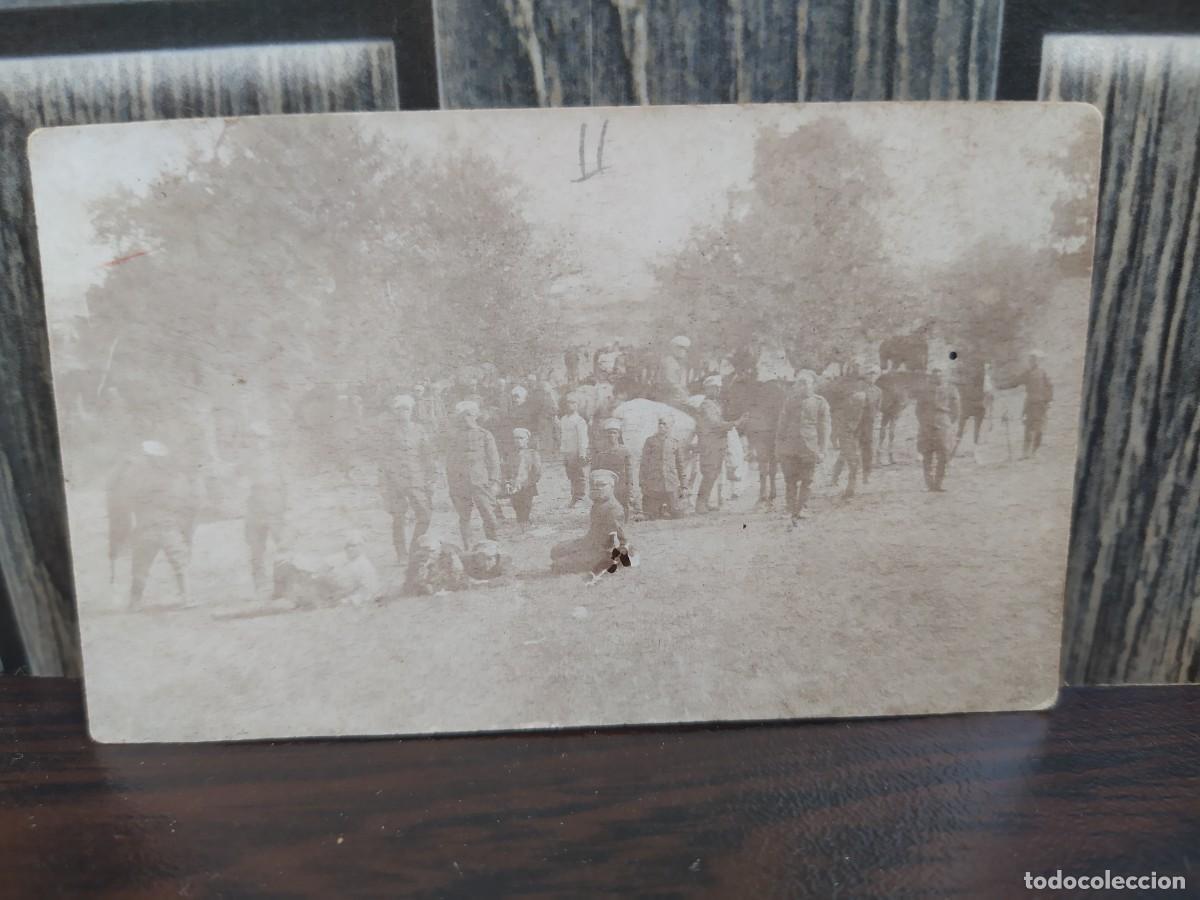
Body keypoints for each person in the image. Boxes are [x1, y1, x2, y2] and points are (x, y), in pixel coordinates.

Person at [109, 439, 202, 608]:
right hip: (163, 527)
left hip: (151, 527)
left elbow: (127, 499)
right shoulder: (171, 477)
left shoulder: (138, 477)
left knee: (142, 567)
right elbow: (183, 502)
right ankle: (186, 598)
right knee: (177, 563)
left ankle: (135, 603)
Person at [379, 394, 437, 562]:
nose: (403, 413)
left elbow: (428, 456)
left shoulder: (419, 430)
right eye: (400, 409)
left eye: (407, 409)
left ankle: (414, 550)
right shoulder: (387, 432)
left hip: (416, 480)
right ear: (395, 412)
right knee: (399, 517)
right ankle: (401, 554)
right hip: (395, 482)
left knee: (425, 516)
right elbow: (383, 460)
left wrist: (432, 477)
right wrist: (384, 485)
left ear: (412, 411)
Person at [444, 400, 501, 549]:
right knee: (464, 518)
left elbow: (494, 460)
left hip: (481, 483)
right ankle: (468, 549)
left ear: (476, 416)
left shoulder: (485, 435)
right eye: (462, 416)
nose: (465, 419)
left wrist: (494, 482)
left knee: (489, 516)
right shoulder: (454, 437)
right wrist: (452, 484)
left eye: (469, 415)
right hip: (460, 483)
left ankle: (493, 546)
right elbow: (449, 462)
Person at [775, 373, 830, 525]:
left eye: (807, 383)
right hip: (790, 447)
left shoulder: (820, 402)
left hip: (810, 447)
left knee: (807, 480)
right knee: (790, 480)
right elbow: (782, 425)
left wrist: (822, 450)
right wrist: (779, 447)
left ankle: (803, 508)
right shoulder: (790, 401)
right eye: (801, 384)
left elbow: (824, 427)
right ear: (797, 386)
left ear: (813, 385)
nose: (804, 387)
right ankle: (789, 508)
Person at [273, 531, 381, 608]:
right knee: (293, 569)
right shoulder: (342, 556)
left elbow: (368, 591)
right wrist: (295, 559)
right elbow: (321, 563)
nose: (350, 549)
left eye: (354, 546)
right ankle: (293, 598)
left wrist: (347, 601)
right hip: (325, 587)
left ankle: (304, 600)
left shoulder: (365, 567)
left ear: (362, 547)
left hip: (340, 595)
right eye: (348, 546)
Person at [550, 469, 628, 575]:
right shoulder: (598, 505)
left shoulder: (614, 509)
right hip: (590, 543)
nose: (597, 488)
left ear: (612, 486)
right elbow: (592, 534)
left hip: (603, 552)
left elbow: (614, 542)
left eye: (602, 485)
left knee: (559, 565)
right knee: (556, 550)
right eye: (593, 486)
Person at [243, 421, 287, 594]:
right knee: (256, 552)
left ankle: (285, 584)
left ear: (268, 440)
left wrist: (287, 509)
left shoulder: (277, 459)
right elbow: (236, 479)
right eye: (253, 438)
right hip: (254, 510)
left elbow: (287, 483)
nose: (257, 442)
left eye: (261, 438)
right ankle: (260, 587)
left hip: (275, 510)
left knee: (283, 548)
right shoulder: (246, 460)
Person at [693, 375, 741, 514]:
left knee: (713, 474)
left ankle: (704, 503)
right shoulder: (707, 405)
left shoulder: (714, 404)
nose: (718, 391)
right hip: (710, 445)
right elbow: (715, 425)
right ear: (708, 389)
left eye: (718, 388)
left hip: (716, 445)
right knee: (709, 474)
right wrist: (734, 423)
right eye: (715, 388)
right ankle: (700, 505)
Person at [915, 368, 961, 492]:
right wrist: (924, 422)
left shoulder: (951, 390)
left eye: (940, 376)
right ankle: (929, 485)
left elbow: (956, 409)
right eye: (935, 376)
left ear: (944, 377)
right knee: (927, 454)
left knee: (943, 455)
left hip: (943, 424)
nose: (938, 379)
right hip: (927, 425)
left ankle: (939, 483)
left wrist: (947, 422)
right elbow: (918, 410)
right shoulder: (924, 391)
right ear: (931, 377)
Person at [640, 414, 688, 519]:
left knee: (678, 514)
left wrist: (684, 486)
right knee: (652, 515)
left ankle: (667, 508)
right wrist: (643, 484)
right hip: (654, 486)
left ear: (670, 426)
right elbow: (644, 464)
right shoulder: (650, 441)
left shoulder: (675, 442)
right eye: (660, 424)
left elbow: (681, 465)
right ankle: (660, 509)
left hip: (671, 484)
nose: (661, 426)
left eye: (664, 424)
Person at [591, 418, 636, 520]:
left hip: (621, 484)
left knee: (622, 506)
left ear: (619, 435)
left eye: (614, 433)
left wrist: (629, 486)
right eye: (609, 433)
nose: (611, 435)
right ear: (606, 435)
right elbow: (594, 469)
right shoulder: (600, 451)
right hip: (605, 484)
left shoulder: (624, 451)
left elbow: (629, 471)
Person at [830, 382, 867, 499]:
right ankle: (850, 490)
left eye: (862, 404)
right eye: (858, 403)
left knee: (843, 456)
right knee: (853, 462)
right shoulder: (846, 410)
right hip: (845, 435)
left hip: (855, 435)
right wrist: (835, 439)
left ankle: (834, 476)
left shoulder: (863, 411)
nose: (861, 406)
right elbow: (837, 424)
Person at [403, 534, 468, 596]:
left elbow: (457, 568)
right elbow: (421, 572)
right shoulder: (423, 556)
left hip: (444, 578)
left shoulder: (445, 553)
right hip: (424, 581)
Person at [1016, 350, 1053, 458]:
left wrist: (1049, 401)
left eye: (1034, 359)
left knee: (1039, 429)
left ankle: (1035, 452)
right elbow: (1016, 381)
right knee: (1028, 428)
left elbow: (1050, 387)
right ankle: (1025, 453)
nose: (1032, 361)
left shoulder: (1043, 372)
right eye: (1030, 360)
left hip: (1041, 405)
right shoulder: (1027, 373)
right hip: (1029, 404)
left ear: (1038, 361)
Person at [507, 427, 542, 527]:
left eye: (521, 438)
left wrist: (531, 481)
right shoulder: (511, 455)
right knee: (516, 503)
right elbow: (509, 470)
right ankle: (520, 520)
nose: (518, 441)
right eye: (515, 438)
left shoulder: (532, 453)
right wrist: (510, 481)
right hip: (514, 485)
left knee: (526, 504)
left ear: (527, 440)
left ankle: (525, 520)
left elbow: (537, 471)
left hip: (527, 485)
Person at [559, 396, 590, 507]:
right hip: (567, 452)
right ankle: (574, 496)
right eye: (568, 403)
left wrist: (582, 453)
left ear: (577, 405)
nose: (569, 405)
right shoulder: (563, 419)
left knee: (579, 475)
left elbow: (583, 438)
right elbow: (562, 437)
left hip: (576, 451)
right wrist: (563, 452)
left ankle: (580, 497)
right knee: (571, 475)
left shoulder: (579, 421)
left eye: (573, 402)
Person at [858, 365, 883, 483]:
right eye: (869, 374)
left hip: (868, 424)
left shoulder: (878, 391)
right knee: (848, 451)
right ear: (865, 376)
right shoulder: (858, 389)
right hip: (855, 423)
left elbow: (877, 408)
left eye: (874, 374)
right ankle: (836, 476)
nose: (872, 377)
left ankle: (866, 475)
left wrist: (875, 419)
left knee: (868, 449)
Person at [655, 335, 692, 407]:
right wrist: (684, 395)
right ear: (674, 348)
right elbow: (672, 383)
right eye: (681, 348)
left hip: (673, 396)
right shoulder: (670, 362)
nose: (684, 351)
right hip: (669, 398)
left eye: (685, 349)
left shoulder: (676, 362)